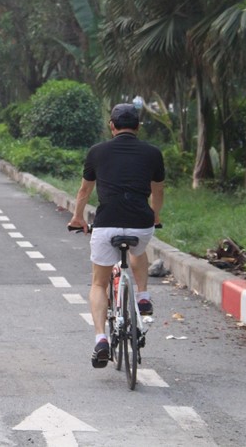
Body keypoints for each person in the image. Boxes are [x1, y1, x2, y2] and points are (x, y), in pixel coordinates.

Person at [67, 103, 165, 368]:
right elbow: (157, 193)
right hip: (140, 224)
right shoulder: (153, 153)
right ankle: (142, 296)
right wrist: (155, 216)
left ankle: (101, 339)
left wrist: (77, 218)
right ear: (138, 126)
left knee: (99, 283)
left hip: (107, 223)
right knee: (138, 250)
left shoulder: (97, 152)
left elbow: (84, 191)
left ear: (111, 126)